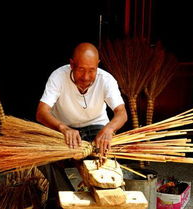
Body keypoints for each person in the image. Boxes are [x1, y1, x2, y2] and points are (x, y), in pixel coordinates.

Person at [36, 42, 127, 208]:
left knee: (105, 155)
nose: (86, 76)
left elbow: (122, 113)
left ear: (98, 65)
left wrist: (109, 129)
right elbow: (41, 112)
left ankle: (103, 199)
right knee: (43, 157)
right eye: (81, 69)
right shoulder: (58, 77)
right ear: (71, 64)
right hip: (63, 129)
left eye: (92, 70)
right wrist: (63, 128)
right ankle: (65, 197)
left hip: (96, 127)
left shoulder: (106, 80)